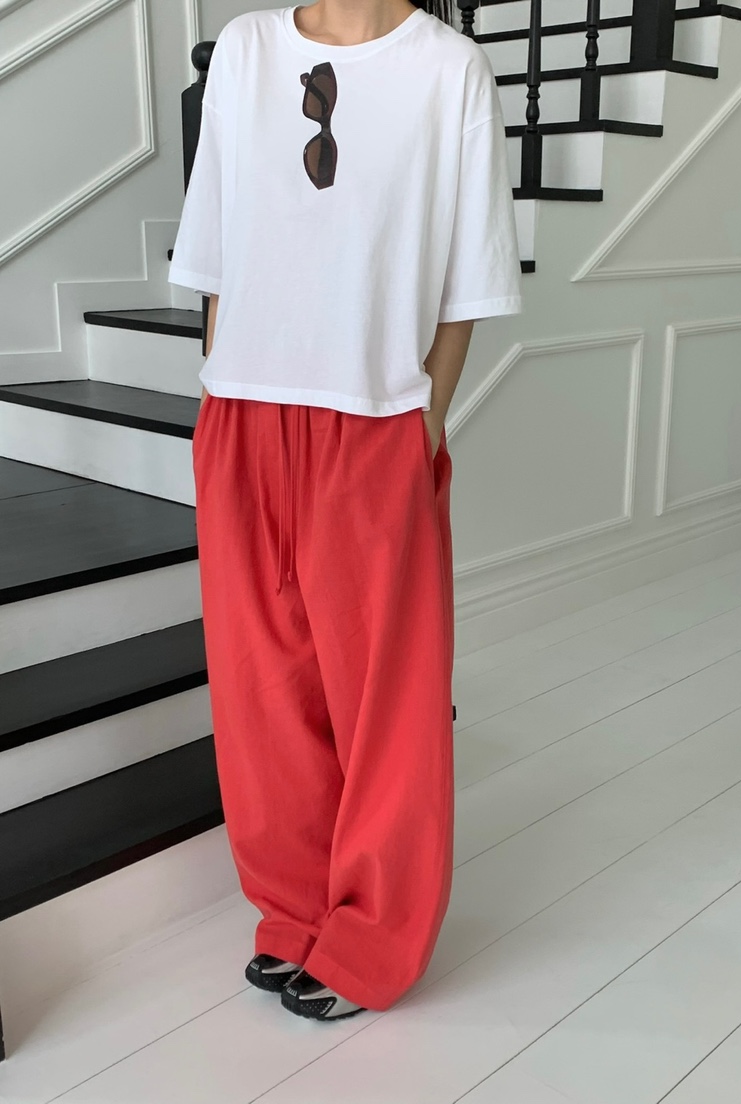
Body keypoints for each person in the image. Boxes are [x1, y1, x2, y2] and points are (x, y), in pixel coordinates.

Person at [168, 0, 522, 1022]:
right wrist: (219, 384)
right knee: (261, 694)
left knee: (386, 704)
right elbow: (216, 247)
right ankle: (295, 911)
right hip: (244, 415)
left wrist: (427, 418)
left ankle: (373, 937)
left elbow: (468, 278)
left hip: (374, 420)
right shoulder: (245, 51)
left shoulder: (450, 70)